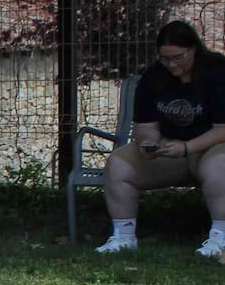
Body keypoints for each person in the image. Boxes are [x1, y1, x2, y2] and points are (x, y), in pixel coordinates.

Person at [96, 19, 225, 258]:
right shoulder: (154, 78)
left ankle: (221, 238)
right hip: (171, 150)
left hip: (213, 148)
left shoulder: (217, 72)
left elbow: (223, 129)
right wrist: (148, 142)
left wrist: (187, 148)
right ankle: (123, 237)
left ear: (194, 49)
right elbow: (145, 126)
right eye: (165, 58)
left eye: (178, 57)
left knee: (219, 166)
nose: (172, 64)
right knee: (119, 164)